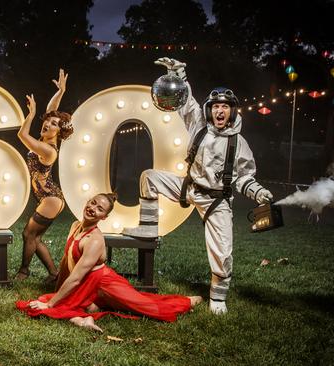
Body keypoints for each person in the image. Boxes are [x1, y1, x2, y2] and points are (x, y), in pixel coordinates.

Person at [122, 57, 274, 315]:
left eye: (225, 106)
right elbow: (186, 103)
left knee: (223, 252)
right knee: (149, 177)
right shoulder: (199, 128)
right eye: (216, 106)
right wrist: (178, 73)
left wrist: (258, 192)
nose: (220, 111)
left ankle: (218, 297)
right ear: (210, 109)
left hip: (217, 201)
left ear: (232, 111)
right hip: (188, 188)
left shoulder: (240, 144)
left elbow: (244, 177)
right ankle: (148, 229)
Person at [16, 193, 202, 332]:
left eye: (99, 209)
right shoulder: (75, 226)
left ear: (104, 217)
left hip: (104, 284)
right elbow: (67, 261)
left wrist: (50, 304)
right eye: (93, 203)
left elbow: (76, 278)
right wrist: (57, 293)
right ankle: (86, 315)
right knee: (57, 302)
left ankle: (187, 301)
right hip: (86, 285)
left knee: (147, 307)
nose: (93, 208)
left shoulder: (95, 240)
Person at [15, 69, 74, 284]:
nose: (48, 124)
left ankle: (23, 272)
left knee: (29, 235)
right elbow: (51, 110)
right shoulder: (47, 140)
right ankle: (53, 274)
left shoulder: (48, 150)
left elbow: (22, 135)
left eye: (54, 125)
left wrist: (30, 116)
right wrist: (61, 91)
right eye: (48, 122)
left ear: (59, 132)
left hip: (51, 198)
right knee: (33, 236)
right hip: (46, 197)